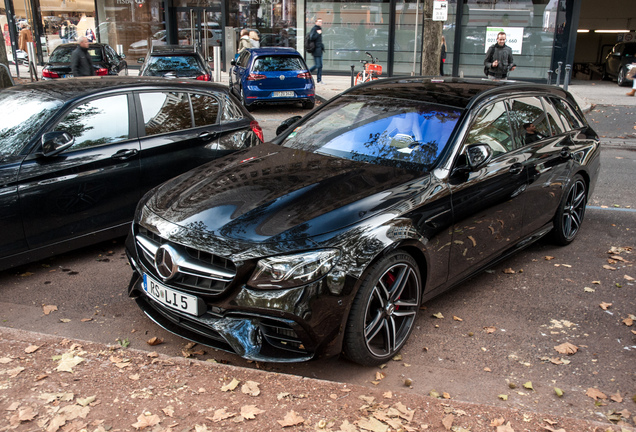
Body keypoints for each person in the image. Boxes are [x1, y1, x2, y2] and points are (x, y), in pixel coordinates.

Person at [308, 18, 325, 84]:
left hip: (319, 49)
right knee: (318, 65)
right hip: (316, 50)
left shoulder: (319, 29)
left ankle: (319, 79)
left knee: (320, 65)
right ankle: (308, 73)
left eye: (321, 22)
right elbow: (311, 37)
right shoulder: (314, 29)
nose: (321, 23)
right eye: (319, 21)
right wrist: (318, 34)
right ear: (316, 22)